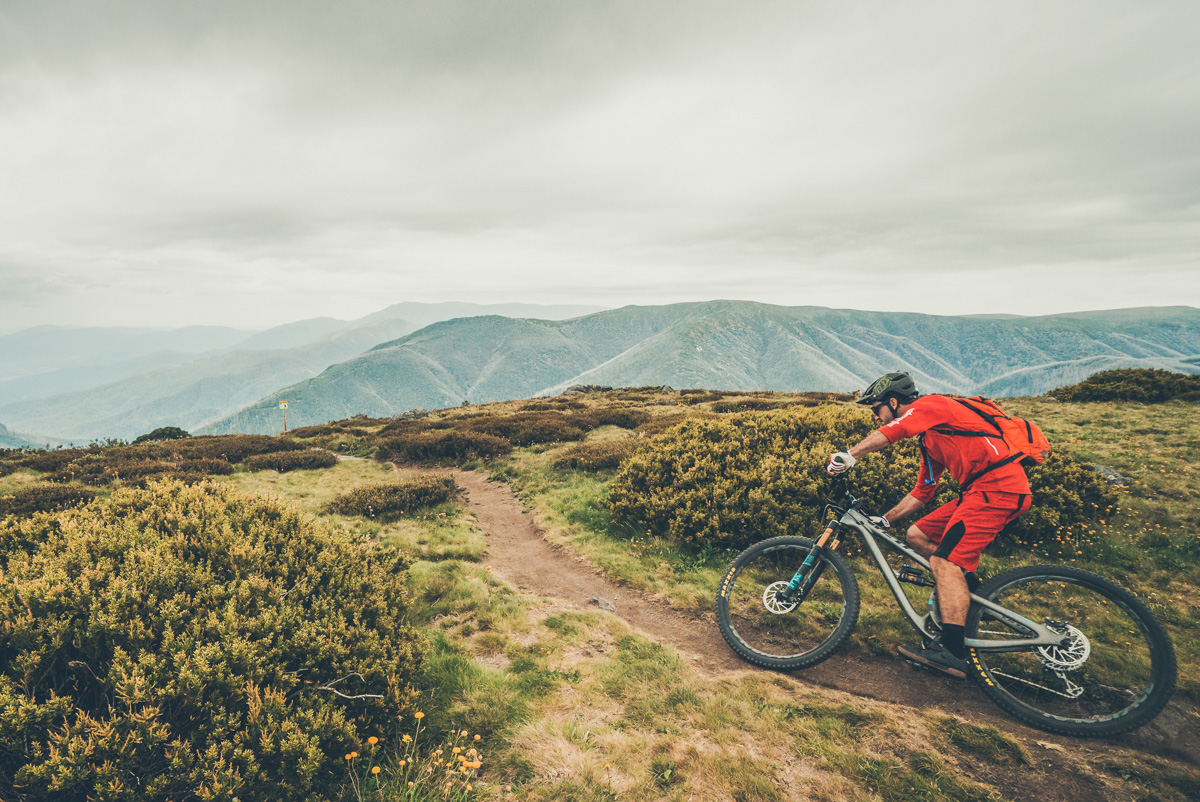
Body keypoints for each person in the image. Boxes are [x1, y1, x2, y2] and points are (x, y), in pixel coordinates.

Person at [826, 371, 1032, 678]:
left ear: (893, 402)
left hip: (996, 489)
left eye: (876, 409)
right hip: (980, 492)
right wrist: (885, 519)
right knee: (918, 535)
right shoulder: (931, 438)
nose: (875, 417)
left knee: (944, 562)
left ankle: (951, 651)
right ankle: (979, 601)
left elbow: (898, 429)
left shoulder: (934, 406)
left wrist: (850, 455)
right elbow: (924, 491)